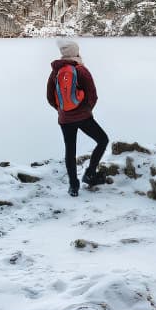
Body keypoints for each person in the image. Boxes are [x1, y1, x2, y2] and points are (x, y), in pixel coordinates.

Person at [46, 38, 108, 197]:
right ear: (75, 52)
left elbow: (50, 97)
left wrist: (62, 110)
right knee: (102, 140)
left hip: (65, 119)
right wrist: (85, 111)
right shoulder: (81, 70)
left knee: (70, 150)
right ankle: (90, 173)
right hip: (83, 117)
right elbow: (92, 95)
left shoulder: (56, 71)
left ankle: (73, 186)